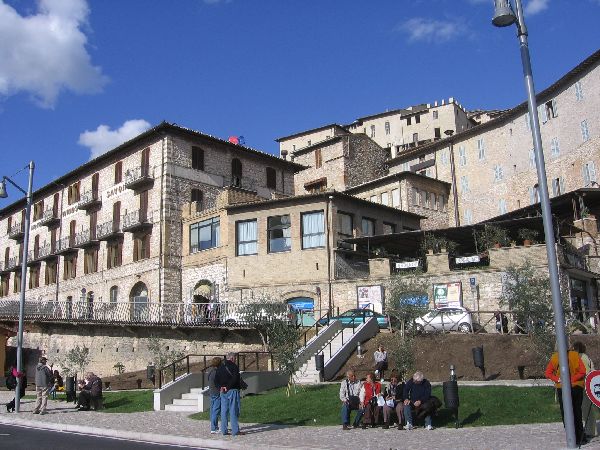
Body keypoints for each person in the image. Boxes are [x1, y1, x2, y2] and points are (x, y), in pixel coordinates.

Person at [544, 345, 586, 446]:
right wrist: (572, 379)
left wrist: (558, 379)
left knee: (565, 413)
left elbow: (548, 373)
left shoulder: (555, 357)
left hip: (562, 387)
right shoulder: (575, 355)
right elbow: (583, 371)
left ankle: (570, 437)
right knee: (577, 411)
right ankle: (580, 437)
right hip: (576, 387)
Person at [572, 341, 595, 443]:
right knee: (589, 409)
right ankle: (591, 430)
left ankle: (590, 431)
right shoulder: (586, 357)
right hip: (590, 384)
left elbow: (584, 372)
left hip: (585, 385)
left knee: (586, 410)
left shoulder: (581, 357)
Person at [214, 352, 242, 436]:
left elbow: (216, 380)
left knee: (224, 411)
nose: (235, 360)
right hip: (232, 390)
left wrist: (220, 387)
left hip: (223, 391)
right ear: (232, 358)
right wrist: (228, 387)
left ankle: (224, 430)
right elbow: (235, 379)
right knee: (233, 410)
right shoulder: (234, 366)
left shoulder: (220, 367)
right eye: (235, 358)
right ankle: (235, 430)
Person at [207, 357, 222, 434]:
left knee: (212, 410)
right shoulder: (217, 372)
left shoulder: (210, 371)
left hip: (211, 392)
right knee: (216, 410)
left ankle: (214, 426)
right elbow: (218, 383)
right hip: (216, 393)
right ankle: (214, 428)